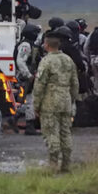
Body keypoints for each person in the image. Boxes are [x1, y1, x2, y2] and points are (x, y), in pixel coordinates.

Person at [33, 35, 79, 174]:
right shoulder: (68, 60)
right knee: (66, 133)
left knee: (51, 132)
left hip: (50, 102)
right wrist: (71, 99)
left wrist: (36, 105)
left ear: (47, 45)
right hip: (66, 100)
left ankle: (53, 165)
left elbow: (39, 85)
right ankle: (66, 165)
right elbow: (75, 83)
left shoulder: (46, 61)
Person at [14, 24, 41, 135]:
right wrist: (28, 75)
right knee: (31, 100)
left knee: (28, 99)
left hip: (27, 75)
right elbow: (20, 61)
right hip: (25, 77)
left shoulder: (27, 44)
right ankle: (29, 126)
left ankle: (14, 118)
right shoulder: (26, 45)